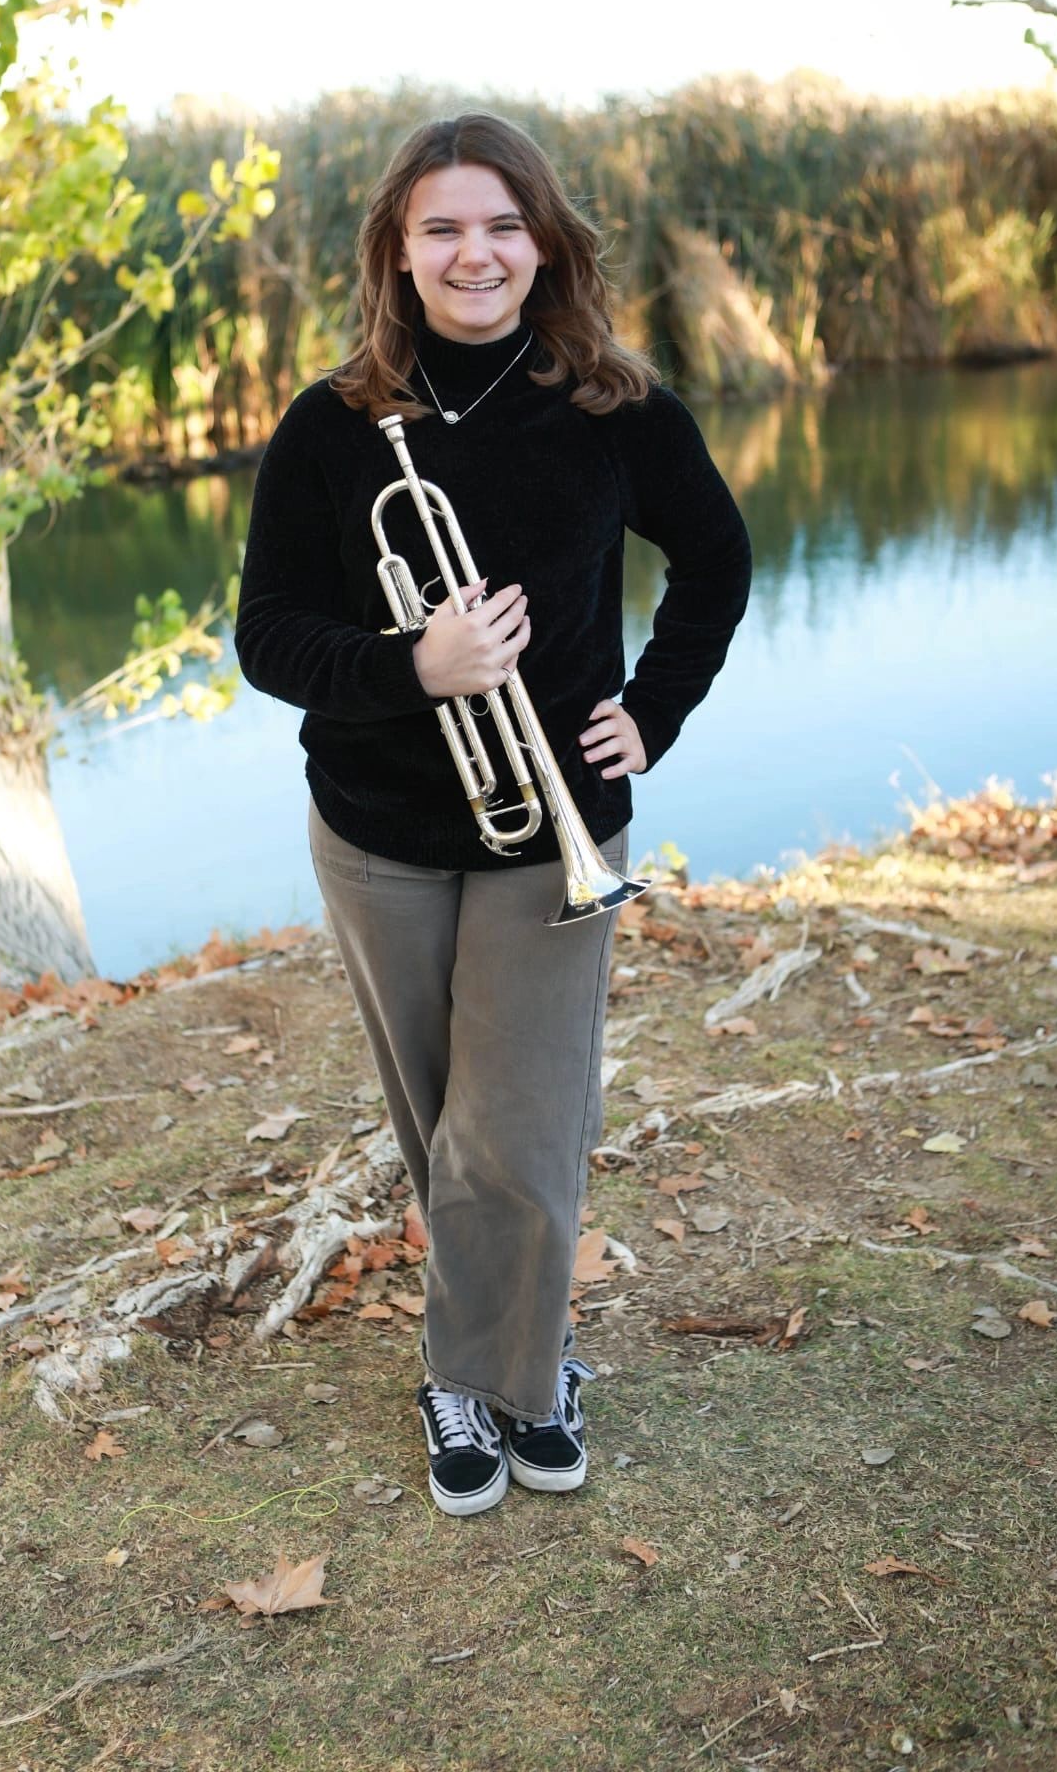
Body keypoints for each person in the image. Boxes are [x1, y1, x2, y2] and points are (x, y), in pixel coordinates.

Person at [235, 111, 752, 1517]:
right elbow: (267, 637)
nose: (476, 253)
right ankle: (496, 1357)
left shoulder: (614, 408)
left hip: (552, 826)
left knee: (515, 1125)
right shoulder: (331, 425)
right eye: (444, 228)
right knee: (440, 1122)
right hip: (378, 832)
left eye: (503, 225)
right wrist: (418, 665)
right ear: (398, 253)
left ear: (544, 243)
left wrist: (654, 711)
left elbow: (715, 560)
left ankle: (496, 1382)